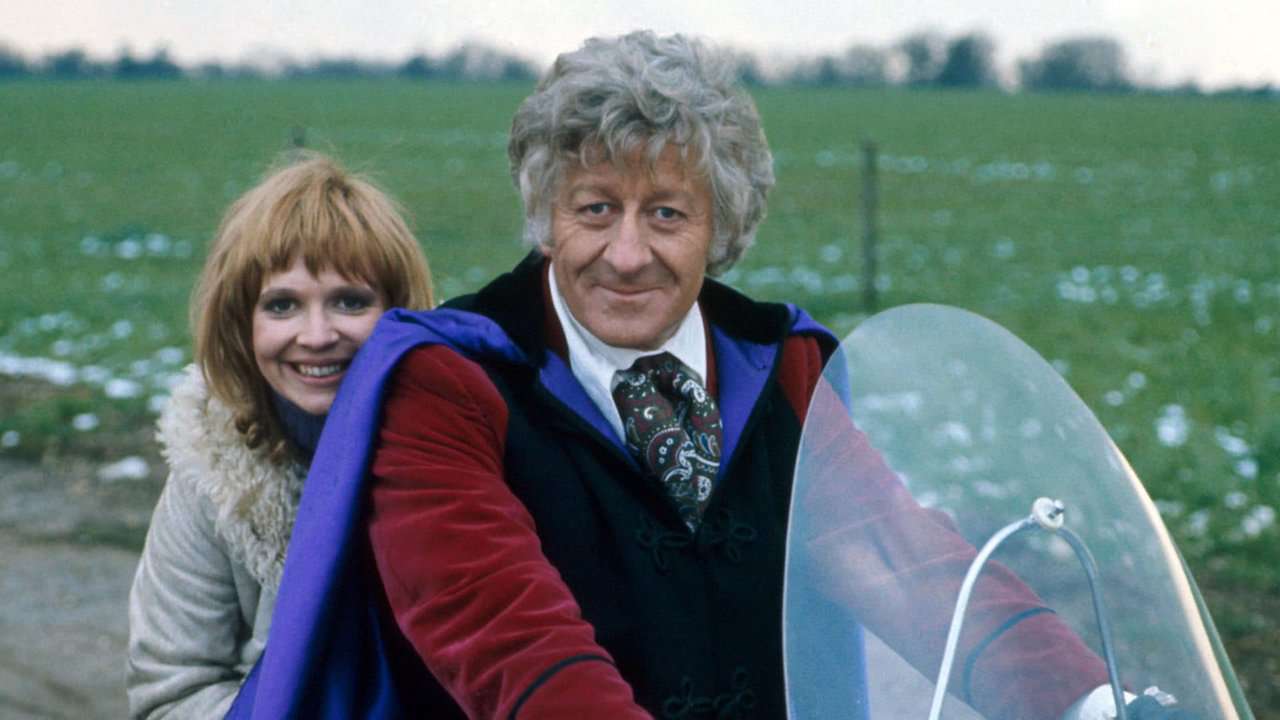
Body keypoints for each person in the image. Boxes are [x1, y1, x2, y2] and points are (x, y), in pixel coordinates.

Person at [239, 32, 1196, 720]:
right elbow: (501, 632)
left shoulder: (775, 370)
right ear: (544, 215)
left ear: (721, 227)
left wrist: (1089, 698)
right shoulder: (451, 381)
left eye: (666, 213)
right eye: (594, 208)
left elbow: (903, 560)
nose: (625, 255)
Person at [124, 151, 434, 719]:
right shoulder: (214, 472)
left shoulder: (455, 449)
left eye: (349, 301)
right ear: (241, 323)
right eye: (282, 305)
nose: (316, 336)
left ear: (399, 312)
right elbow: (172, 691)